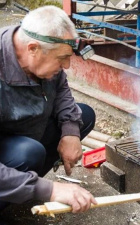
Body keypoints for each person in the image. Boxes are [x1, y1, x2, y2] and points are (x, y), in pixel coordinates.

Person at [0, 5, 98, 215]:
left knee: (84, 115)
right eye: (62, 58)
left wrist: (71, 131)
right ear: (33, 48)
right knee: (28, 152)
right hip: (12, 147)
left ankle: (20, 189)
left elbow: (61, 89)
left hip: (21, 132)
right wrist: (50, 189)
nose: (67, 65)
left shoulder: (39, 51)